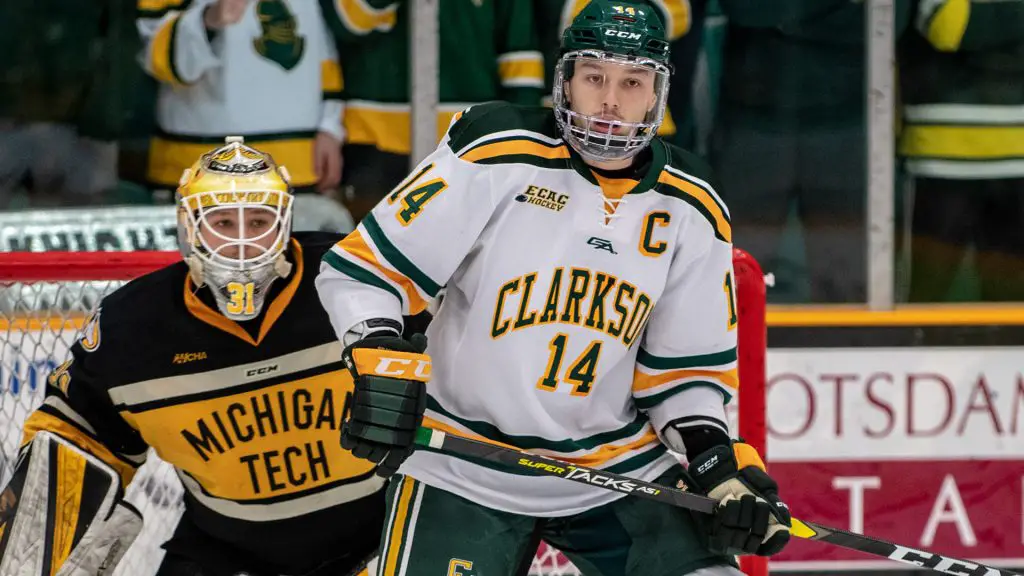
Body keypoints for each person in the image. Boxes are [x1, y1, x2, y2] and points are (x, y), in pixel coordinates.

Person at [315, 2, 791, 575]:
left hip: (615, 471)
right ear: (564, 80)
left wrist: (718, 466)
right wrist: (378, 360)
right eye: (595, 78)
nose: (611, 100)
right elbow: (364, 272)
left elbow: (683, 376)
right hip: (462, 462)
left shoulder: (691, 203)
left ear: (659, 92)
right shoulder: (497, 151)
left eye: (632, 82)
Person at [0, 137, 385, 576]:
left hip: (380, 536)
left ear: (284, 223)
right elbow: (78, 433)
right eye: (223, 222)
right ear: (190, 226)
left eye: (258, 221)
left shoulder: (355, 278)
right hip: (227, 551)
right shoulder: (133, 326)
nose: (241, 243)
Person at [138, 0, 344, 198]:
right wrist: (207, 20)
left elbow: (320, 44)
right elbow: (152, 54)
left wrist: (330, 124)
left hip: (300, 168)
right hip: (203, 168)